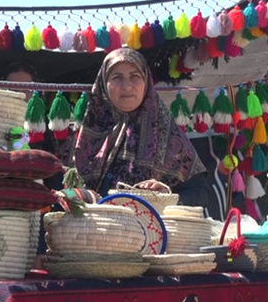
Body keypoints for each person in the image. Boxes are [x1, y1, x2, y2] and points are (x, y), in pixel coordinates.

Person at [71, 48, 212, 207]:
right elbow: (71, 191)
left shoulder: (168, 134)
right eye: (117, 77)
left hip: (152, 230)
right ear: (104, 83)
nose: (126, 86)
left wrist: (167, 197)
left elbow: (202, 193)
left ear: (146, 81)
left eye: (135, 76)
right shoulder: (88, 136)